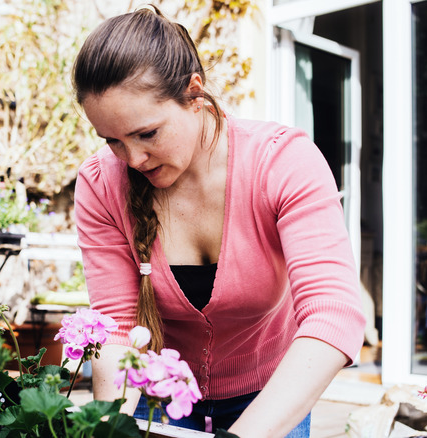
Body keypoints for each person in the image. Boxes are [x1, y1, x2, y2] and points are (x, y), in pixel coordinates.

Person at [71, 6, 365, 437]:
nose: (132, 159)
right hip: (159, 395)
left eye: (146, 134)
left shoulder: (282, 163)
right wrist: (109, 428)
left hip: (272, 395)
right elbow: (116, 326)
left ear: (194, 93)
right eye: (112, 140)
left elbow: (332, 315)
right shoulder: (100, 183)